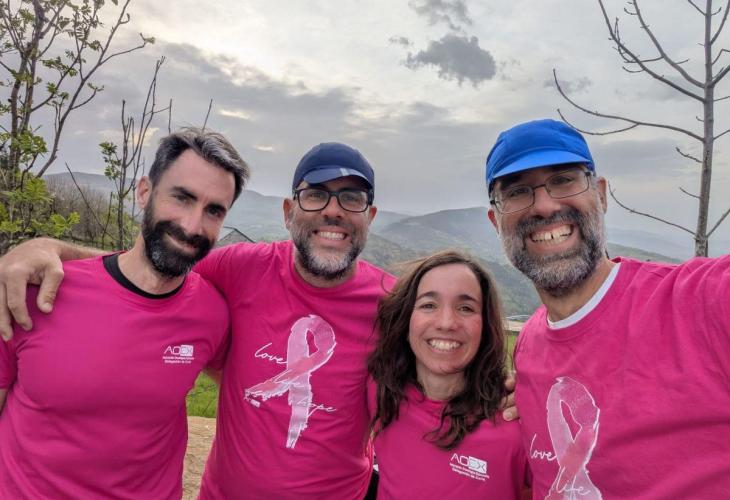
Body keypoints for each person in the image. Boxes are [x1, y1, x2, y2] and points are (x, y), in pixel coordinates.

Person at [0, 141, 518, 499]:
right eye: (316, 194)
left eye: (352, 198)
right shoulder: (238, 268)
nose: (334, 211)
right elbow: (151, 266)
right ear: (289, 212)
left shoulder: (394, 304)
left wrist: (508, 390)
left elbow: (446, 353)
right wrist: (49, 248)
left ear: (370, 216)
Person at [486, 119, 730, 498]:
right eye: (517, 192)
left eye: (563, 180)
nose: (545, 206)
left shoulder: (701, 301)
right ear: (495, 221)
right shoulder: (529, 345)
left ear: (600, 195)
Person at [0, 128, 250, 498]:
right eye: (182, 198)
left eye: (214, 211)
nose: (192, 226)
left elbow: (241, 381)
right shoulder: (37, 291)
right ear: (144, 192)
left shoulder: (211, 313)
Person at [368, 250, 530, 499]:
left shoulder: (515, 423)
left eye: (465, 308)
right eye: (428, 305)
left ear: (484, 327)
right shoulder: (380, 391)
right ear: (406, 320)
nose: (446, 323)